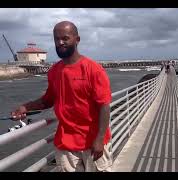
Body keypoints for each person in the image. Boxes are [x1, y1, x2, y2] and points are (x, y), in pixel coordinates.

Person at [10, 21, 112, 172]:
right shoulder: (54, 71)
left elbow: (104, 105)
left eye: (65, 38)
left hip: (93, 143)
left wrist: (99, 139)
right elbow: (48, 100)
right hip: (66, 145)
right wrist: (25, 107)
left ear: (77, 40)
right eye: (56, 39)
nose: (60, 42)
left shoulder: (93, 69)